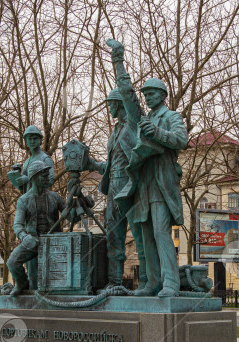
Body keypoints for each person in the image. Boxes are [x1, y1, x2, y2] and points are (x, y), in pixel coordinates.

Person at [111, 41, 188, 297]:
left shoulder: (171, 117)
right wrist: (118, 62)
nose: (147, 96)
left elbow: (181, 140)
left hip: (161, 184)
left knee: (160, 232)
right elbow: (127, 93)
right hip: (142, 185)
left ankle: (170, 284)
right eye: (146, 93)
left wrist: (156, 133)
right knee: (145, 235)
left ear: (163, 94)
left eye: (152, 92)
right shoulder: (142, 118)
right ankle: (152, 282)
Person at [85, 41, 149, 291]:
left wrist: (117, 60)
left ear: (120, 103)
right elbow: (112, 165)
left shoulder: (133, 122)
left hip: (131, 188)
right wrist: (91, 164)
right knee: (114, 237)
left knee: (140, 236)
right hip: (113, 190)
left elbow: (129, 90)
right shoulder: (115, 132)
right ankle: (113, 282)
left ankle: (146, 284)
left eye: (111, 103)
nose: (108, 107)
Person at [7, 161, 66, 296]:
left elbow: (70, 216)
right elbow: (18, 224)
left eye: (47, 175)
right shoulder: (23, 200)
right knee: (12, 262)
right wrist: (24, 236)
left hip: (53, 243)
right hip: (33, 241)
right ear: (34, 177)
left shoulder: (55, 197)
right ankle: (22, 283)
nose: (47, 178)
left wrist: (81, 204)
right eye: (44, 176)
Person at [8, 125, 55, 289]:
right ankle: (27, 287)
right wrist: (18, 180)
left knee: (43, 267)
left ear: (41, 140)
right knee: (30, 263)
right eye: (29, 139)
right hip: (29, 207)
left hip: (43, 205)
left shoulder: (45, 159)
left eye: (35, 138)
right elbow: (25, 187)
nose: (32, 141)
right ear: (26, 141)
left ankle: (38, 291)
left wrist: (27, 179)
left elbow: (49, 180)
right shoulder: (27, 161)